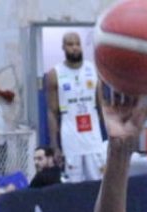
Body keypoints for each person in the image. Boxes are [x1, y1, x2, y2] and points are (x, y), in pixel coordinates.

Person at [45, 31, 105, 183]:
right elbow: (52, 112)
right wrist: (54, 145)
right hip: (70, 138)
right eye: (70, 44)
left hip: (93, 138)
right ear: (63, 47)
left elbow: (102, 105)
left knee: (97, 182)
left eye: (78, 44)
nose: (75, 47)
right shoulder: (54, 74)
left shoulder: (93, 69)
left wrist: (112, 133)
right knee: (73, 184)